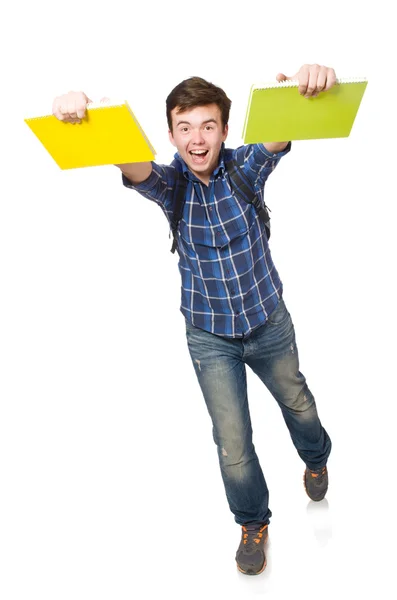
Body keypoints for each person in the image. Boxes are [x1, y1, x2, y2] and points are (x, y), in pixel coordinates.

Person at [52, 64, 335, 576]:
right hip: (209, 337)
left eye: (208, 125)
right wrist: (83, 114)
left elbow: (280, 131)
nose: (196, 138)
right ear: (172, 135)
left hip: (268, 322)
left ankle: (316, 459)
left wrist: (309, 83)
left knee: (299, 403)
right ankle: (253, 521)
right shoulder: (171, 185)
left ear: (224, 131)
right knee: (233, 442)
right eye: (184, 127)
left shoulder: (245, 168)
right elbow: (131, 162)